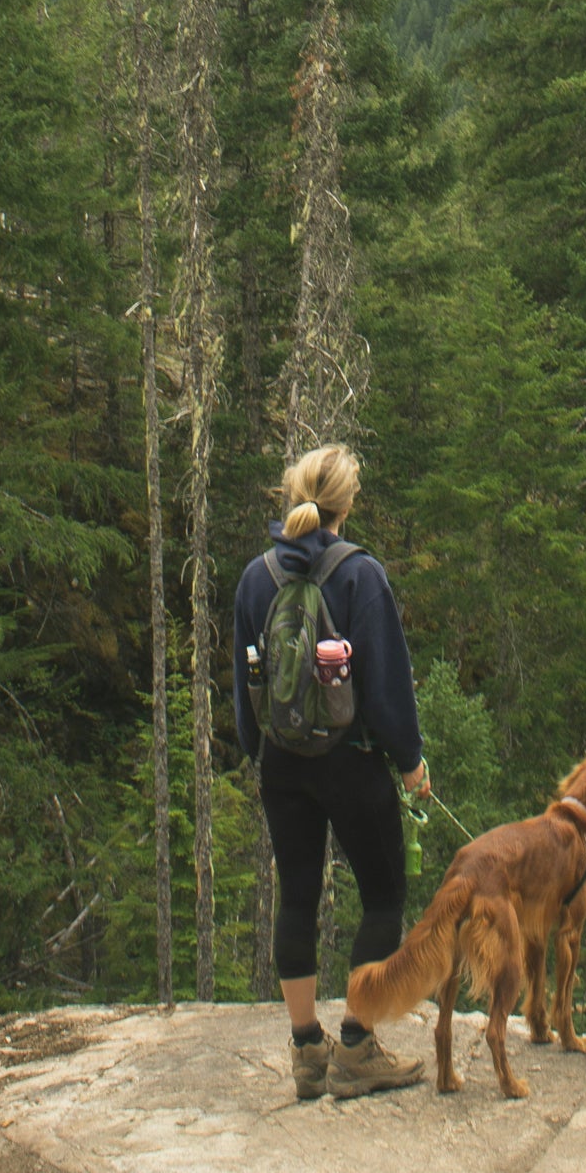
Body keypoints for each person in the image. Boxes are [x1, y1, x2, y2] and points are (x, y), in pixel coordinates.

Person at [233, 443, 433, 1100]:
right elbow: (386, 687)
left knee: (296, 896)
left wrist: (251, 749)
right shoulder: (359, 575)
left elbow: (245, 683)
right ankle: (355, 1046)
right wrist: (409, 765)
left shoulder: (256, 577)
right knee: (381, 897)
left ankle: (304, 1052)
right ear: (347, 506)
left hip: (283, 766)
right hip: (350, 763)